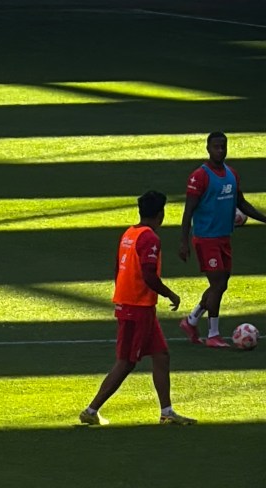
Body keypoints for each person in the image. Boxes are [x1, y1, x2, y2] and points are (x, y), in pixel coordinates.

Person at [79, 190, 196, 427]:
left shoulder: (129, 234)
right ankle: (91, 410)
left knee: (161, 356)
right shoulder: (150, 238)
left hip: (134, 304)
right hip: (138, 307)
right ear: (160, 214)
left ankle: (166, 412)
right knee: (126, 362)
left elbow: (117, 269)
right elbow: (149, 275)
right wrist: (169, 293)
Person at [178, 131, 266, 348]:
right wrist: (183, 241)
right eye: (216, 147)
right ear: (208, 148)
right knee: (217, 284)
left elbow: (242, 204)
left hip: (224, 238)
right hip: (206, 238)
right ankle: (213, 335)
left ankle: (191, 320)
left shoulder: (232, 174)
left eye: (223, 146)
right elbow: (188, 211)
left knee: (222, 284)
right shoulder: (199, 176)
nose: (220, 150)